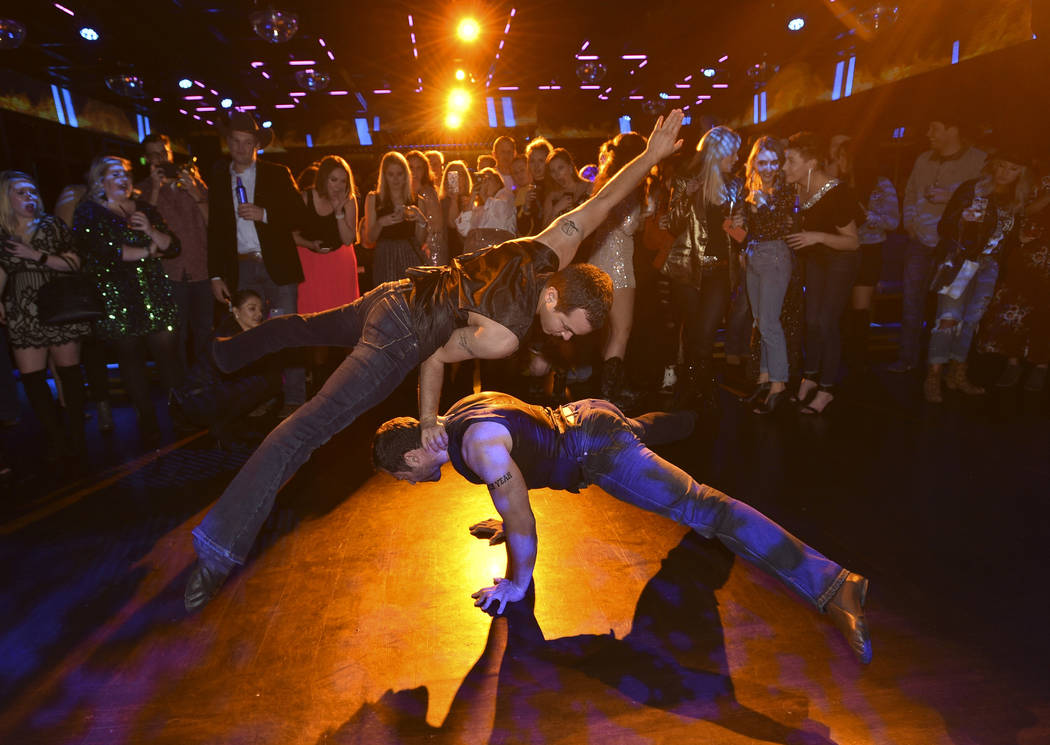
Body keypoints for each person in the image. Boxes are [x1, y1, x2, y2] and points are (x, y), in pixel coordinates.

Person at [183, 110, 687, 613]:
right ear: (555, 301)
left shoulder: (549, 248)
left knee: (301, 328)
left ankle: (223, 354)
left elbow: (603, 201)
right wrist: (427, 417)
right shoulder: (506, 336)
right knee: (304, 429)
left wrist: (652, 154)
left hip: (394, 291)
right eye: (567, 328)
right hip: (400, 334)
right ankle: (218, 549)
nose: (563, 339)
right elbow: (437, 352)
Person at [372, 390, 873, 664]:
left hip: (601, 454)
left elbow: (522, 516)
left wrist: (516, 583)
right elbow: (521, 455)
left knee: (708, 509)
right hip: (589, 413)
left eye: (404, 475)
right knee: (644, 432)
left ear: (414, 453)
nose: (410, 483)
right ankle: (703, 410)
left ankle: (835, 585)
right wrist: (506, 514)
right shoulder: (461, 411)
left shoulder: (477, 446)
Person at [74, 155, 182, 443]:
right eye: (115, 174)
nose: (123, 179)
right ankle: (147, 421)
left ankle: (181, 416)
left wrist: (149, 231)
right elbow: (107, 253)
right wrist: (149, 251)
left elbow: (172, 246)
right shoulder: (89, 212)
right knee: (131, 360)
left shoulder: (144, 208)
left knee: (168, 359)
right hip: (118, 296)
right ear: (100, 180)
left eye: (126, 174)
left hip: (154, 292)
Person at [207, 112, 308, 418]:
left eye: (247, 142)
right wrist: (215, 275)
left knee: (288, 333)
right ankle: (258, 396)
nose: (241, 148)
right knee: (249, 339)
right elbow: (215, 231)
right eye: (236, 141)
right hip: (242, 267)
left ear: (256, 145)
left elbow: (298, 214)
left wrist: (264, 214)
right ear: (228, 143)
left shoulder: (276, 173)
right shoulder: (218, 176)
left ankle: (295, 399)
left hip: (277, 267)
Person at [923, 149, 1031, 402]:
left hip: (989, 266)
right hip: (962, 262)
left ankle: (957, 374)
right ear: (994, 165)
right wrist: (961, 218)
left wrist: (1019, 241)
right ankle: (933, 376)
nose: (1005, 173)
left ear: (1021, 173)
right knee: (948, 318)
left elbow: (1009, 237)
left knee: (972, 321)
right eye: (1002, 165)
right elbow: (944, 226)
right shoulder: (974, 189)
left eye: (1013, 169)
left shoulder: (1017, 198)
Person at [0, 170, 89, 463]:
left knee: (69, 372)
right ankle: (55, 437)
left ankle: (77, 436)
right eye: (21, 192)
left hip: (59, 305)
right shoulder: (2, 232)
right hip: (22, 309)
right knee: (33, 378)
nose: (29, 197)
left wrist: (34, 255)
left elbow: (74, 263)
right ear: (6, 198)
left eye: (33, 192)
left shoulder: (53, 225)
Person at [890, 116, 986, 372]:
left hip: (956, 246)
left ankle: (938, 366)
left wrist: (952, 198)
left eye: (934, 128)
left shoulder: (978, 161)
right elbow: (910, 191)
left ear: (953, 129)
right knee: (912, 302)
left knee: (948, 307)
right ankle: (907, 359)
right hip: (920, 241)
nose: (928, 133)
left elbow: (987, 201)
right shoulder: (924, 159)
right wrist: (909, 222)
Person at [783, 132, 861, 414]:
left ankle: (827, 389)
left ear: (811, 163)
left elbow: (853, 241)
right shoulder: (798, 187)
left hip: (841, 259)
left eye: (791, 161)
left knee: (826, 322)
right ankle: (810, 377)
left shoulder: (836, 192)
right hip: (817, 259)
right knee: (812, 321)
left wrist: (817, 236)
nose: (784, 167)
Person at [667, 126, 743, 405]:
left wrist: (737, 228)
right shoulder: (686, 179)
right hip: (687, 269)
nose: (737, 157)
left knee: (706, 333)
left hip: (720, 271)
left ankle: (702, 385)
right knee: (693, 331)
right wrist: (686, 194)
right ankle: (693, 387)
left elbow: (738, 235)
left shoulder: (735, 185)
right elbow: (673, 226)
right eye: (733, 151)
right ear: (719, 151)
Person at [171, 289, 280, 447]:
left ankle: (231, 424)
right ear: (236, 311)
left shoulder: (243, 332)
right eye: (252, 308)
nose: (259, 314)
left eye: (260, 309)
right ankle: (222, 428)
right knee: (261, 382)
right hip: (196, 400)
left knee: (267, 380)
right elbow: (234, 375)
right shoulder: (228, 336)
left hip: (210, 394)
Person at [140, 133, 212, 370]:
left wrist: (197, 194)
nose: (158, 159)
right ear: (146, 159)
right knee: (175, 336)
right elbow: (141, 228)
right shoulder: (143, 190)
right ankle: (179, 390)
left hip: (202, 269)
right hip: (168, 273)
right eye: (152, 155)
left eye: (162, 153)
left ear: (171, 154)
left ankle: (206, 384)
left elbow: (215, 225)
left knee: (205, 332)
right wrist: (155, 190)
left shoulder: (194, 182)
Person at [587, 132, 647, 406]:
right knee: (622, 330)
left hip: (598, 257)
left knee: (609, 331)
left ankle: (613, 388)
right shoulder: (631, 182)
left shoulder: (606, 181)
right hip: (618, 260)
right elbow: (628, 224)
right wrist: (648, 211)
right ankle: (608, 396)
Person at [738, 137, 797, 414]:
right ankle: (764, 378)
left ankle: (779, 385)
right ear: (754, 163)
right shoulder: (748, 187)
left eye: (775, 161)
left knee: (770, 322)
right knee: (760, 320)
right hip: (753, 255)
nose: (770, 167)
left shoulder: (785, 189)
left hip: (775, 255)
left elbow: (778, 227)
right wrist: (737, 228)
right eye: (763, 162)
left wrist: (762, 204)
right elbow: (739, 227)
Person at [978, 173, 1050, 392]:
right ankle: (1013, 363)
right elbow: (1022, 210)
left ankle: (1040, 366)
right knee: (1014, 309)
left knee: (1044, 312)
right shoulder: (1033, 175)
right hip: (1028, 250)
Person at [292, 155, 360, 314]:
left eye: (343, 181)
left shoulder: (349, 200)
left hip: (340, 261)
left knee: (341, 310)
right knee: (311, 310)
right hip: (310, 261)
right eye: (333, 180)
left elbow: (348, 239)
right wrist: (310, 244)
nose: (338, 186)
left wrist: (338, 213)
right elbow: (291, 235)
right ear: (323, 178)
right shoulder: (305, 197)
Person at [363, 151, 428, 284]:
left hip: (410, 255)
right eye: (391, 174)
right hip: (385, 255)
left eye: (399, 174)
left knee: (411, 300)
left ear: (406, 175)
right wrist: (381, 223)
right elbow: (369, 238)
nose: (395, 179)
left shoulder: (417, 200)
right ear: (384, 176)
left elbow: (419, 241)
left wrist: (421, 220)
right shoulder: (374, 198)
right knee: (388, 300)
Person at [453, 168, 517, 254]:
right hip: (480, 258)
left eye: (488, 179)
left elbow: (502, 213)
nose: (485, 183)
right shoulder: (479, 208)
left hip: (501, 256)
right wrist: (472, 198)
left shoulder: (506, 196)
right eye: (482, 180)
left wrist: (484, 195)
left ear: (498, 183)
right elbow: (464, 230)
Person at [406, 150, 447, 266]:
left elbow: (437, 226)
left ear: (425, 170)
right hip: (414, 248)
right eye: (411, 167)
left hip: (431, 249)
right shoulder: (405, 193)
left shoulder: (427, 191)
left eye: (419, 168)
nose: (414, 172)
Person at [542, 148, 591, 227]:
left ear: (570, 167)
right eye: (553, 171)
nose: (557, 174)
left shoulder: (589, 187)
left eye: (560, 168)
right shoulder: (552, 197)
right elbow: (544, 230)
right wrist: (556, 210)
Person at [439, 160, 472, 259]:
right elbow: (452, 225)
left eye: (461, 174)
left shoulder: (473, 199)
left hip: (469, 250)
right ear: (446, 180)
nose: (458, 178)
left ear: (466, 178)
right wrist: (454, 199)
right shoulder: (443, 202)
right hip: (451, 251)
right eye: (453, 175)